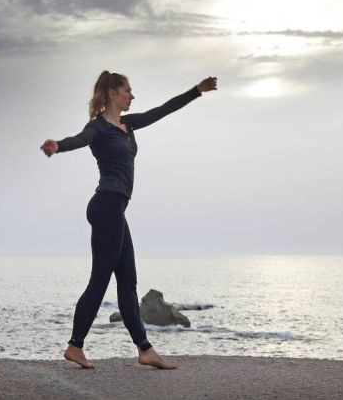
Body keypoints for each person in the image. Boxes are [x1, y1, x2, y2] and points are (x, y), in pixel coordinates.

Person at [41, 71, 217, 370]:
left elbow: (163, 110)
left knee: (127, 281)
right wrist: (57, 145)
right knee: (100, 279)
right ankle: (76, 345)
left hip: (115, 209)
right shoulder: (97, 127)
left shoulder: (129, 124)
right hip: (106, 205)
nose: (132, 96)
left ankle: (144, 349)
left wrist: (196, 91)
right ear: (112, 93)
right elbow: (79, 139)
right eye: (127, 91)